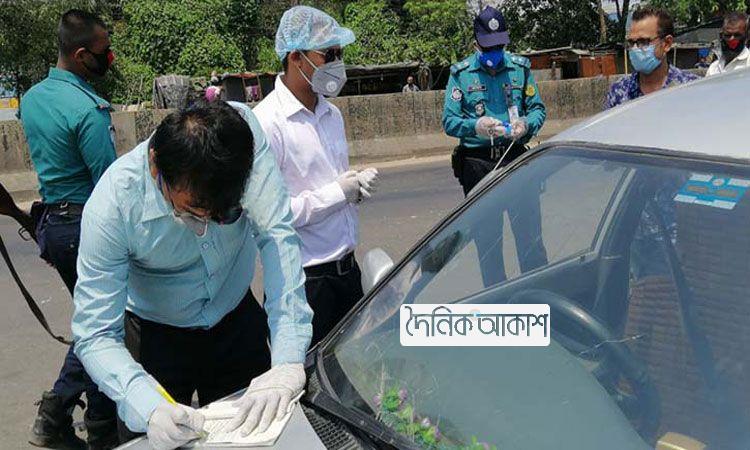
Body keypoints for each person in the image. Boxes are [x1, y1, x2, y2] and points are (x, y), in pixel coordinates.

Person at [71, 100, 313, 450]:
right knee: (162, 436)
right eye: (191, 212)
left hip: (234, 319)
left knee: (264, 432)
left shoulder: (240, 138)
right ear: (155, 166)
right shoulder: (113, 206)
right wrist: (146, 404)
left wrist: (287, 359)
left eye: (224, 215)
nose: (205, 226)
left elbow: (277, 235)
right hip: (155, 337)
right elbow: (95, 334)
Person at [19, 9, 118, 449]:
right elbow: (109, 184)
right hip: (85, 224)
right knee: (105, 325)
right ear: (81, 55)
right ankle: (74, 415)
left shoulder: (33, 99)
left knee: (96, 319)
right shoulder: (88, 109)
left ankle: (90, 417)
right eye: (103, 52)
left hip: (53, 226)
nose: (109, 58)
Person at [254, 6, 377, 346]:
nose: (337, 63)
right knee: (308, 372)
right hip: (304, 282)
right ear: (295, 57)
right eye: (329, 55)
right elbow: (268, 215)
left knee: (356, 366)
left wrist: (354, 186)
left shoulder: (331, 114)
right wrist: (338, 193)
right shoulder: (267, 123)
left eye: (340, 54)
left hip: (346, 271)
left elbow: (327, 179)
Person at [442, 6, 547, 285]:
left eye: (499, 46)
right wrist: (474, 126)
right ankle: (497, 299)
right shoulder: (461, 74)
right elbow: (449, 121)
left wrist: (526, 124)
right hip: (478, 164)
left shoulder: (519, 69)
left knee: (530, 239)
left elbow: (538, 109)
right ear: (476, 44)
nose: (494, 53)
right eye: (488, 48)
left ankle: (538, 296)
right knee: (488, 244)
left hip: (515, 157)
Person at [606, 7, 699, 109]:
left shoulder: (691, 88)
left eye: (643, 42)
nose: (635, 48)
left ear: (667, 43)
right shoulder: (619, 92)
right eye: (631, 42)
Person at [706, 12, 750, 76]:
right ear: (721, 36)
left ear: (746, 37)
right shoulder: (713, 68)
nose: (731, 40)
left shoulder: (748, 63)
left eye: (737, 35)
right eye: (728, 35)